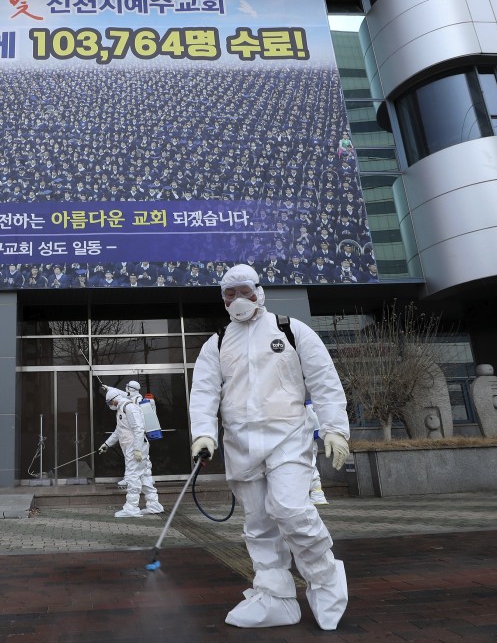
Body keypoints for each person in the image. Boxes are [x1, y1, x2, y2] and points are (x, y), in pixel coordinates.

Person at [189, 263, 350, 631]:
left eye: (244, 291)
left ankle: (325, 582)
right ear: (223, 300)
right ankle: (275, 595)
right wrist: (203, 433)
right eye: (230, 294)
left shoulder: (291, 330)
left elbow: (324, 380)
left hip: (288, 438)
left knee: (291, 510)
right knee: (259, 524)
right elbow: (203, 393)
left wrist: (335, 429)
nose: (238, 299)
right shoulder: (216, 342)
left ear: (258, 291)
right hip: (240, 443)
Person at [97, 386, 163, 518]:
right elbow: (118, 431)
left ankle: (131, 508)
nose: (110, 405)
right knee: (144, 475)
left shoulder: (130, 408)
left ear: (114, 400)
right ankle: (154, 504)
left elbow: (139, 429)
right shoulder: (122, 409)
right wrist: (106, 444)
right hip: (134, 448)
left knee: (132, 476)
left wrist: (137, 449)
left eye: (110, 402)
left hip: (135, 448)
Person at [306, 400, 329, 505]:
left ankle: (317, 494)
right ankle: (316, 494)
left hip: (304, 438)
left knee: (309, 464)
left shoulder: (305, 404)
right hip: (306, 437)